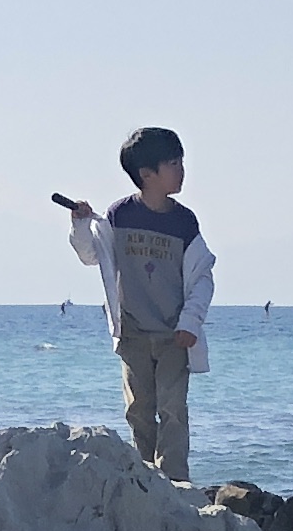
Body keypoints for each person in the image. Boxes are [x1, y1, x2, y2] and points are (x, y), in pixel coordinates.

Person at [64, 126, 213, 483]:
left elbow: (203, 276)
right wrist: (81, 224)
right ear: (147, 175)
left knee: (173, 409)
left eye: (181, 162)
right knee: (139, 410)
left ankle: (176, 480)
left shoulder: (184, 221)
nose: (181, 170)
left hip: (174, 334)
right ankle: (145, 476)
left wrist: (190, 322)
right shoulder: (120, 216)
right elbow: (90, 255)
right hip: (132, 332)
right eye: (173, 163)